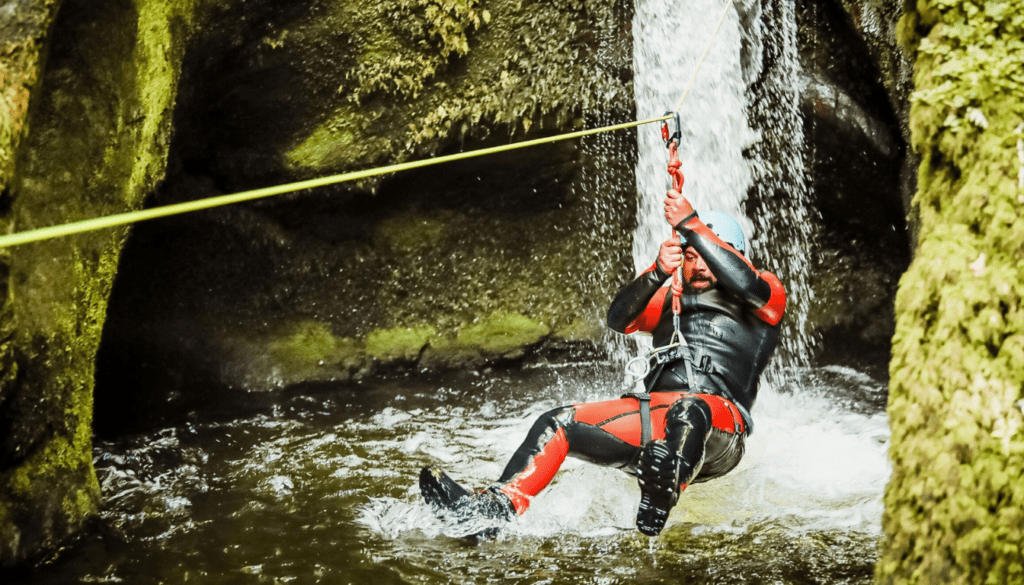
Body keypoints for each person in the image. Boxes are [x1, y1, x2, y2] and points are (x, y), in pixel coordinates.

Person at [420, 185, 787, 537]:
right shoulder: (671, 301)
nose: (700, 265)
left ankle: (665, 489)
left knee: (689, 410)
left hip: (719, 430)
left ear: (732, 256)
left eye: (709, 256)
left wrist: (689, 222)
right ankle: (493, 512)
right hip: (656, 420)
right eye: (691, 256)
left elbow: (746, 283)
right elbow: (620, 319)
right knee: (558, 422)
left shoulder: (765, 297)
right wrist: (658, 271)